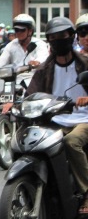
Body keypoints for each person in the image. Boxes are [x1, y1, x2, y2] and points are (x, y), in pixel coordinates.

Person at [26, 17, 88, 215]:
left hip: (83, 119)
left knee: (71, 141)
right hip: (55, 120)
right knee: (34, 141)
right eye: (53, 37)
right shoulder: (45, 69)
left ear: (71, 37)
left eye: (62, 36)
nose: (58, 40)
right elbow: (31, 93)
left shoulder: (85, 64)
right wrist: (16, 104)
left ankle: (87, 191)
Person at [0, 14, 49, 84]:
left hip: (35, 79)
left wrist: (36, 62)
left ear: (30, 31)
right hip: (16, 80)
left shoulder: (39, 44)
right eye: (16, 30)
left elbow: (43, 57)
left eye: (22, 30)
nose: (19, 32)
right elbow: (2, 60)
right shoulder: (11, 45)